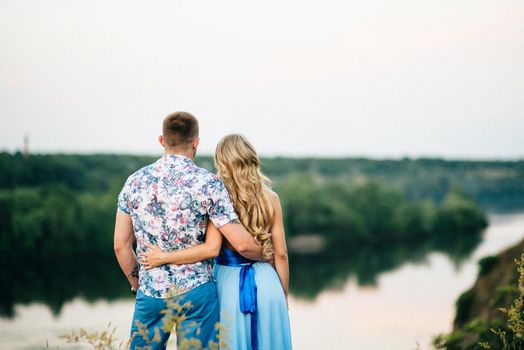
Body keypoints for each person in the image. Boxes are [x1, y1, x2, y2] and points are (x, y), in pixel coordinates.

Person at [113, 112, 267, 350]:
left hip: (151, 292)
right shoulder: (208, 183)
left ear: (161, 140)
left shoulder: (134, 182)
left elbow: (121, 245)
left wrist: (138, 283)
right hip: (197, 296)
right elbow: (243, 244)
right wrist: (269, 253)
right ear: (196, 142)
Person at [141, 134, 292, 350]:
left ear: (221, 162)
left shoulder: (217, 197)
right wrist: (282, 294)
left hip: (227, 282)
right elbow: (281, 254)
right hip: (268, 284)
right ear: (250, 158)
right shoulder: (272, 198)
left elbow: (209, 246)